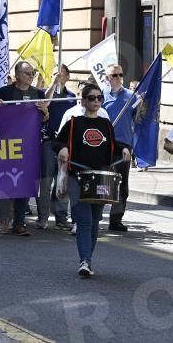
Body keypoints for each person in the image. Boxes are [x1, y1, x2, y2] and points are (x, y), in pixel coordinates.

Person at [55, 83, 131, 277]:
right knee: (85, 221)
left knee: (95, 221)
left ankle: (87, 259)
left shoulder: (105, 124)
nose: (96, 101)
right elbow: (57, 141)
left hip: (101, 177)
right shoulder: (74, 123)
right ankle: (85, 261)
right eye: (91, 98)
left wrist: (124, 149)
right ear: (83, 101)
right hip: (78, 176)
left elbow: (113, 145)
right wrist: (62, 149)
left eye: (99, 98)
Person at [0, 61, 49, 236]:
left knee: (25, 181)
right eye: (27, 73)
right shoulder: (3, 92)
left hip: (29, 145)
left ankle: (19, 222)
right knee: (6, 180)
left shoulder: (38, 94)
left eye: (33, 73)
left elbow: (44, 121)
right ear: (17, 75)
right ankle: (4, 218)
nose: (31, 76)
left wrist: (46, 113)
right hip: (9, 144)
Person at [37, 65, 76, 230]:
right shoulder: (45, 92)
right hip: (49, 141)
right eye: (54, 74)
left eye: (60, 74)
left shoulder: (71, 97)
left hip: (65, 144)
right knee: (46, 181)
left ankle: (61, 217)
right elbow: (45, 103)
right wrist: (53, 84)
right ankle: (42, 217)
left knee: (63, 181)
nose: (57, 76)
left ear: (67, 77)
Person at [102, 63, 133, 231]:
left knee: (122, 184)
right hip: (104, 144)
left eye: (120, 74)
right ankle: (96, 215)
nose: (119, 78)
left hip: (124, 145)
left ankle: (116, 219)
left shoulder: (131, 96)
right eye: (114, 75)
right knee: (101, 181)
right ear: (107, 78)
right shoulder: (100, 95)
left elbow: (138, 119)